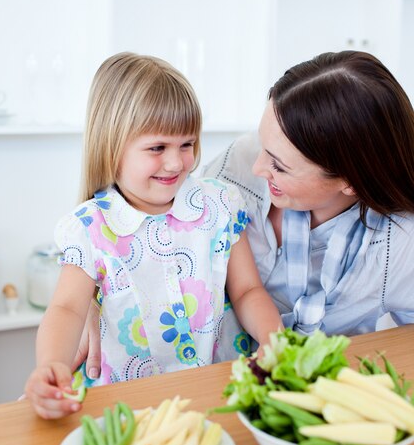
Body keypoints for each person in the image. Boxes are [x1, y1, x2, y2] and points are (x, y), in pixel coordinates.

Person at [78, 49, 414, 381]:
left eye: (279, 166)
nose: (257, 168)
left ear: (350, 182)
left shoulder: (398, 245)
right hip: (198, 376)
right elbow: (136, 220)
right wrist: (91, 299)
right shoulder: (238, 163)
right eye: (262, 144)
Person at [24, 52, 282, 419]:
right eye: (157, 148)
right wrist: (51, 365)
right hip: (131, 405)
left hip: (219, 388)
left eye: (187, 144)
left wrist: (274, 339)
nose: (176, 162)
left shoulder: (221, 204)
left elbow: (247, 290)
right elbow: (66, 308)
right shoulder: (89, 228)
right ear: (112, 147)